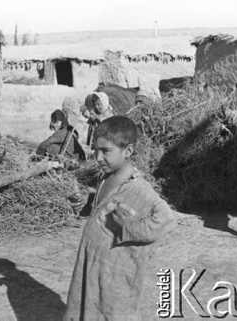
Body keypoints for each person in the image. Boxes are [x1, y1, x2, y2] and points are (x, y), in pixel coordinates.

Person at [64, 115, 177, 320]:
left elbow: (167, 219)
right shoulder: (106, 178)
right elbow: (105, 206)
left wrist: (127, 229)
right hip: (92, 266)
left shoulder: (138, 188)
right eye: (95, 151)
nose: (98, 158)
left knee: (111, 312)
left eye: (105, 151)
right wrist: (87, 204)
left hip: (115, 276)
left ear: (128, 151)